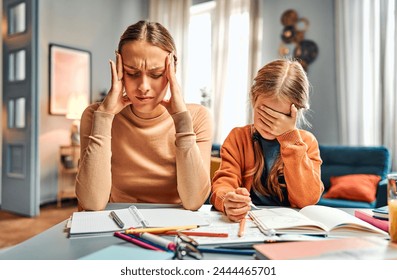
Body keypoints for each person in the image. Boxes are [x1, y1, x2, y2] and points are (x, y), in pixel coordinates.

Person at [75, 21, 213, 211]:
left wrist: (182, 121)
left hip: (173, 229)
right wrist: (105, 117)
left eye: (156, 74)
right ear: (119, 70)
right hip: (116, 223)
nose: (143, 87)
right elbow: (92, 203)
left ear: (172, 72)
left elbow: (194, 201)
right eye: (132, 73)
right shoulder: (95, 115)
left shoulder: (197, 117)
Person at [210, 59, 324, 222]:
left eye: (280, 117)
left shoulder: (306, 143)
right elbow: (223, 184)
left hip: (291, 227)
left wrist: (289, 139)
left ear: (296, 112)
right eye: (264, 113)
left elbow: (307, 200)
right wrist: (228, 199)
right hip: (247, 223)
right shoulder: (238, 138)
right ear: (253, 99)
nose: (270, 124)